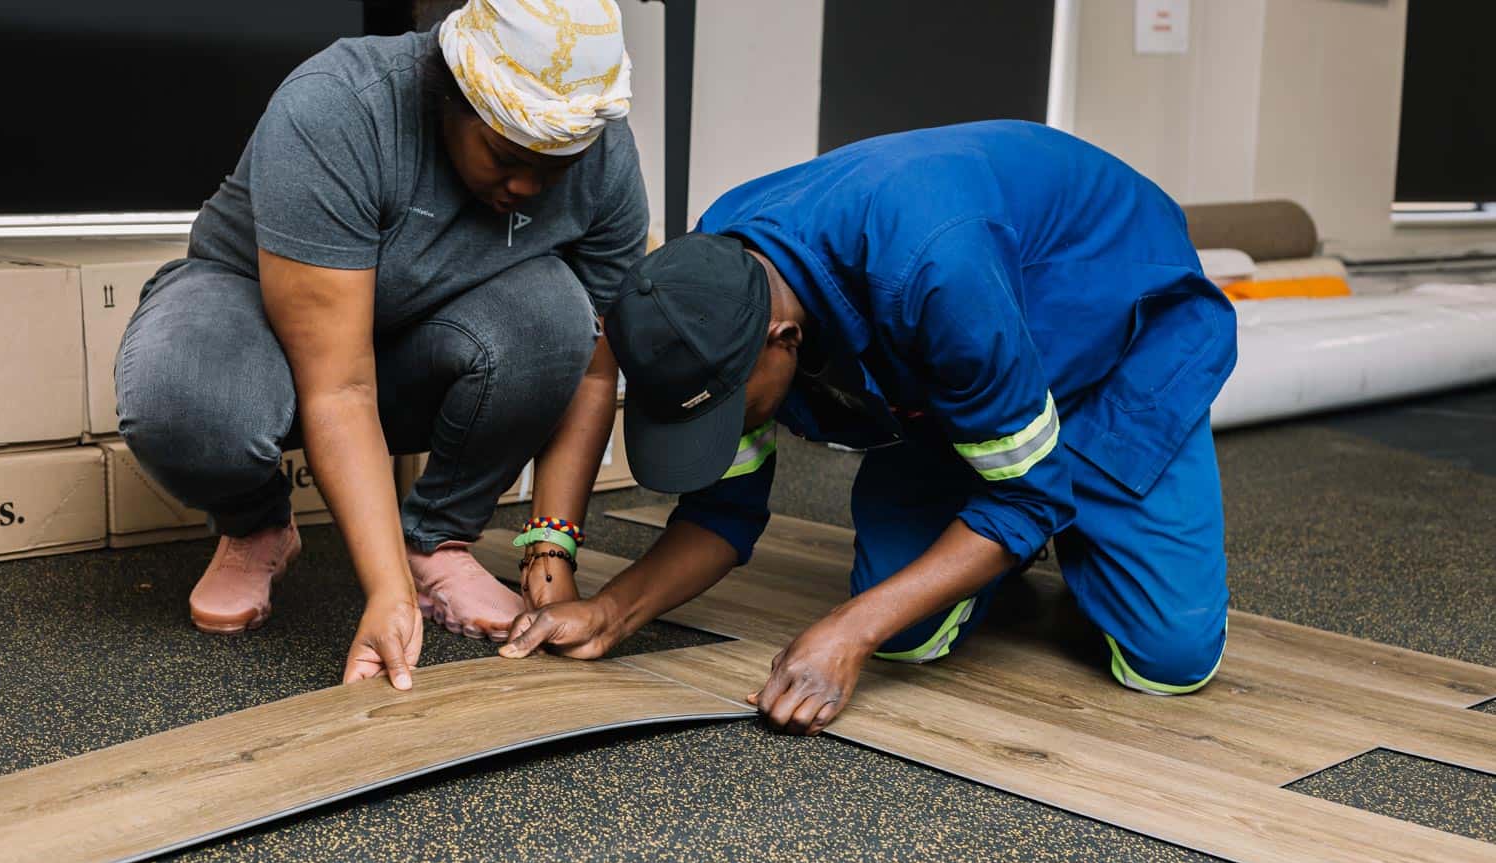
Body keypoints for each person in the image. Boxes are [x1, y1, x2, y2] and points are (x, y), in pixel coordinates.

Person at [497, 121, 1237, 735]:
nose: (728, 430)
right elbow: (723, 511)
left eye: (731, 414)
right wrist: (609, 613)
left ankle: (1058, 503)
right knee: (908, 639)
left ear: (784, 341)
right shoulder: (710, 289)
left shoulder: (936, 271)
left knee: (1167, 660)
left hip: (1117, 341)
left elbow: (1029, 495)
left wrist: (848, 631)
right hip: (958, 370)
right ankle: (1002, 495)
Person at [116, 0, 648, 689]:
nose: (527, 186)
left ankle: (437, 542)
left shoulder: (603, 157)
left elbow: (594, 374)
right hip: (257, 319)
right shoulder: (339, 108)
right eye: (506, 157)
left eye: (554, 169)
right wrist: (385, 592)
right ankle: (256, 525)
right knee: (184, 397)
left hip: (415, 343)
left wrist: (552, 557)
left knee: (557, 315)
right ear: (453, 94)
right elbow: (339, 384)